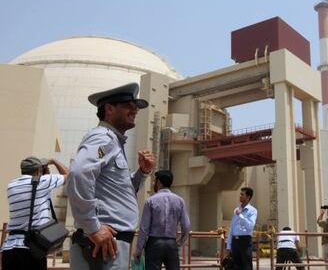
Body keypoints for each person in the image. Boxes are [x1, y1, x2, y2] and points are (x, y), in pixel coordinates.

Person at [67, 82, 156, 270]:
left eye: (136, 106)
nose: (135, 110)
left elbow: (119, 192)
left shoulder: (113, 142)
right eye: (128, 105)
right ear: (109, 108)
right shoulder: (103, 138)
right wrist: (93, 228)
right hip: (102, 244)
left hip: (110, 243)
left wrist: (142, 172)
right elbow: (79, 172)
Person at [1, 157, 68, 270]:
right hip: (32, 249)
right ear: (38, 170)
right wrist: (53, 161)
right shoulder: (43, 181)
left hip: (9, 248)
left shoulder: (11, 185)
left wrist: (42, 174)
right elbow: (69, 176)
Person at [133, 170, 191, 270]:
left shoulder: (150, 201)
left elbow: (144, 228)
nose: (153, 184)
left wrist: (138, 250)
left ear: (159, 182)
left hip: (154, 243)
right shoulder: (180, 200)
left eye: (154, 181)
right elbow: (186, 225)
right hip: (171, 243)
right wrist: (180, 241)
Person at [226, 187, 257, 270]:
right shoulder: (236, 210)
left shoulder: (253, 211)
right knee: (235, 266)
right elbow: (232, 228)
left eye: (242, 194)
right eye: (240, 194)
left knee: (246, 266)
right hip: (235, 241)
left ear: (248, 197)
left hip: (245, 242)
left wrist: (240, 215)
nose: (240, 196)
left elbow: (250, 225)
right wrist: (228, 246)